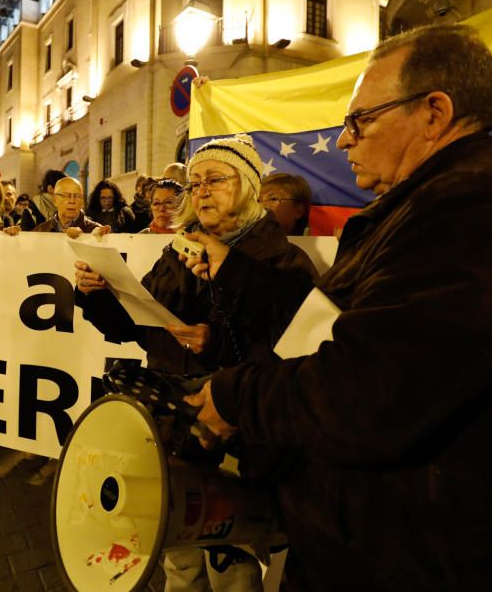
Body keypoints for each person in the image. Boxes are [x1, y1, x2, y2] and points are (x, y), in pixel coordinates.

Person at [185, 25, 492, 592]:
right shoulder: (421, 209)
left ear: (433, 114)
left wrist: (236, 397)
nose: (344, 140)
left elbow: (367, 390)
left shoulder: (475, 211)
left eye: (359, 120)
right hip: (360, 545)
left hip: (416, 562)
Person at [74, 135, 317, 591]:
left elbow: (296, 354)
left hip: (236, 439)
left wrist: (213, 342)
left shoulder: (283, 259)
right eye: (195, 182)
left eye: (215, 180)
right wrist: (98, 295)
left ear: (247, 186)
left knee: (232, 565)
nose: (201, 190)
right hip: (173, 429)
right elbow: (138, 327)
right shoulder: (178, 250)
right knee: (178, 556)